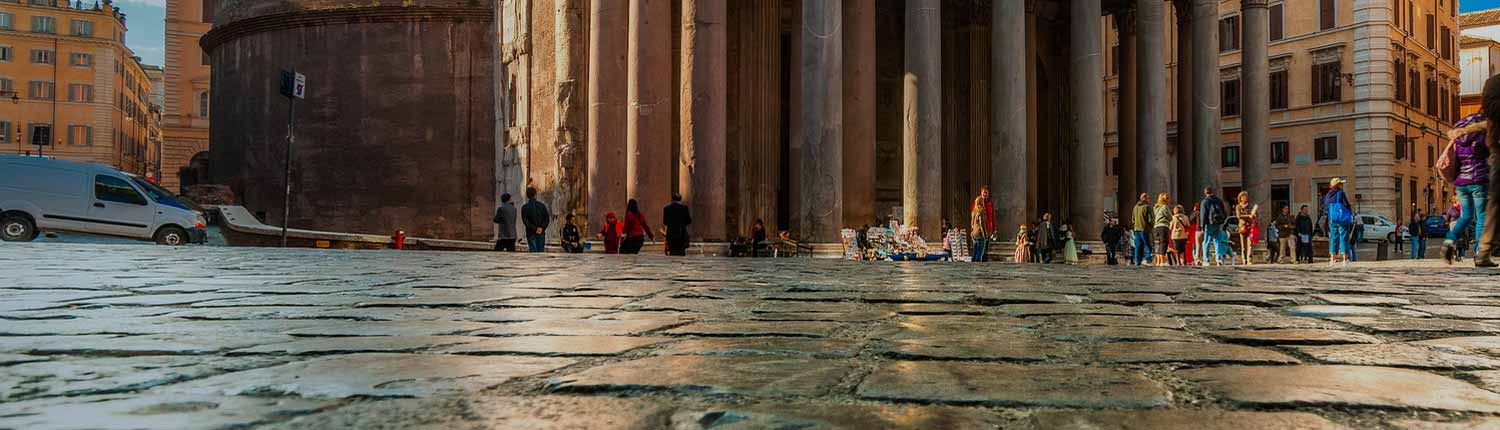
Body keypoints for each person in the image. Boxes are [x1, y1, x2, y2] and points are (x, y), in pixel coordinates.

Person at [1442, 114, 1492, 265]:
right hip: (1478, 180)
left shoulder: (1458, 139)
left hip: (1461, 183)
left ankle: (1449, 241)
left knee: (1466, 216)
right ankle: (1480, 253)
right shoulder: (1482, 136)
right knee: (1482, 217)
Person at [1324, 178, 1355, 267]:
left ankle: (1332, 260)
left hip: (1332, 220)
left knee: (1333, 238)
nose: (1342, 185)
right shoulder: (1340, 193)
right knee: (1344, 238)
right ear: (1338, 185)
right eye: (1341, 183)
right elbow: (1347, 205)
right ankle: (1345, 259)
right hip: (1342, 220)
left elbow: (1326, 208)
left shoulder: (1328, 195)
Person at [1199, 188, 1229, 266]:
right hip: (1217, 223)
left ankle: (1206, 260)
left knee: (1206, 242)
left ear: (1205, 193)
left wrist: (1202, 226)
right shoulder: (1218, 200)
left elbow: (1203, 215)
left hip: (1208, 224)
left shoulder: (1205, 202)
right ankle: (1219, 259)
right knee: (1217, 241)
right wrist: (1222, 221)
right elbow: (1224, 212)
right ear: (1213, 192)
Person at [971, 186, 997, 262]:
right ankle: (979, 264)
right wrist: (984, 234)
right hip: (982, 230)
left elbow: (992, 216)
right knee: (980, 251)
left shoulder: (990, 203)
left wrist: (994, 228)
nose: (985, 194)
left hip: (987, 228)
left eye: (986, 193)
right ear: (981, 193)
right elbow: (980, 222)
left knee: (982, 249)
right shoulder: (979, 208)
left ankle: (981, 263)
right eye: (984, 192)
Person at [521, 187, 550, 253]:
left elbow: (526, 221)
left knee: (533, 252)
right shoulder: (542, 206)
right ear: (535, 194)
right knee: (540, 252)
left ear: (527, 196)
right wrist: (541, 228)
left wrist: (535, 229)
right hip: (541, 232)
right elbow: (547, 219)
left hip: (531, 233)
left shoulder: (525, 207)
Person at [1234, 192, 1256, 265]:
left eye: (1246, 197)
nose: (1245, 198)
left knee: (1250, 244)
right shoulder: (1238, 206)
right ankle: (1244, 259)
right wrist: (1248, 216)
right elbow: (1239, 216)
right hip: (1242, 227)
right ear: (1240, 198)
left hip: (1249, 226)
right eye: (1243, 197)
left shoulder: (1249, 206)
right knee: (1243, 245)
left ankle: (1249, 259)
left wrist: (1253, 215)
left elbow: (1252, 215)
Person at [1131, 193, 1152, 266]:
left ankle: (1137, 261)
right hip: (1144, 228)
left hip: (1136, 229)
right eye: (1148, 198)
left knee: (1138, 245)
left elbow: (1133, 219)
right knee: (1148, 245)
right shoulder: (1147, 207)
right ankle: (1147, 258)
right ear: (1145, 199)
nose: (1149, 200)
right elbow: (1151, 219)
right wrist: (1151, 227)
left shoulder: (1135, 207)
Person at [1152, 193, 1172, 267]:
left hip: (1156, 227)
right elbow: (1170, 217)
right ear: (1164, 199)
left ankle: (1158, 262)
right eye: (1167, 198)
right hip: (1163, 227)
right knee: (1164, 244)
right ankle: (1162, 261)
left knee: (1158, 244)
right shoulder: (1165, 207)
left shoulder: (1155, 207)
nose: (1169, 200)